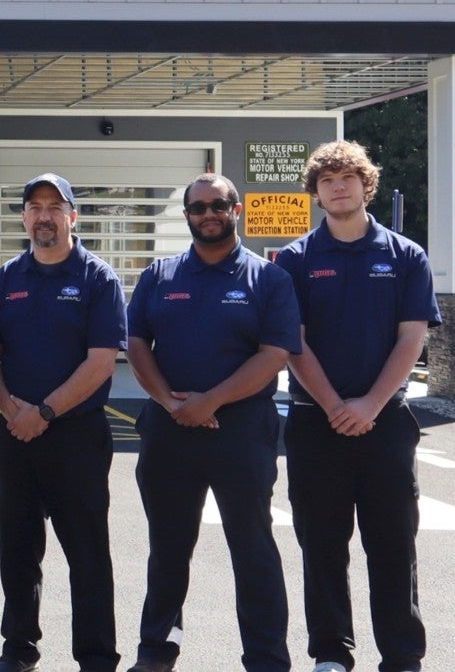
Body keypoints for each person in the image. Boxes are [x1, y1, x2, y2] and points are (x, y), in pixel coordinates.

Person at [124, 173, 301, 672]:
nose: (208, 215)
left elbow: (275, 354)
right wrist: (170, 402)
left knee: (253, 549)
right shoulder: (160, 275)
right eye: (198, 208)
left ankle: (267, 658)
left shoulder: (269, 278)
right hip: (169, 429)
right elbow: (136, 344)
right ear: (187, 216)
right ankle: (157, 649)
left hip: (242, 431)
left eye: (218, 205)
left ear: (236, 210)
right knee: (168, 549)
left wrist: (211, 402)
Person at [274, 142, 439, 672]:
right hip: (313, 422)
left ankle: (402, 655)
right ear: (316, 192)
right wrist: (333, 406)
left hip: (386, 423)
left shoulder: (406, 257)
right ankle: (330, 654)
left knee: (392, 544)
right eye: (327, 180)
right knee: (322, 545)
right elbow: (293, 344)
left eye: (348, 177)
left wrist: (370, 403)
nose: (338, 187)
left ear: (366, 184)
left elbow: (411, 339)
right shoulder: (295, 260)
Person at [0, 174, 126, 672]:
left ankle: (97, 656)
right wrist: (10, 409)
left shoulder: (97, 278)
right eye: (34, 206)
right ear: (23, 217)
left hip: (76, 437)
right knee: (16, 550)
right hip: (15, 433)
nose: (44, 215)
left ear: (72, 216)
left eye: (54, 206)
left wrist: (44, 412)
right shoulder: (8, 277)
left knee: (87, 553)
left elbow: (101, 361)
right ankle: (19, 649)